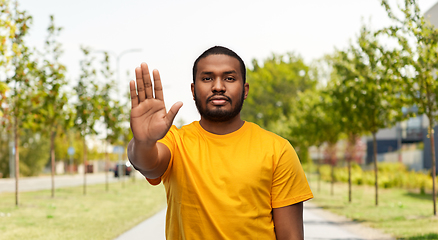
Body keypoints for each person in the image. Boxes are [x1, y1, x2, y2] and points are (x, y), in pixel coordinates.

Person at [128, 46, 313, 240]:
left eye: (229, 78)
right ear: (193, 90)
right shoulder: (175, 140)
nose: (218, 86)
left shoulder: (278, 150)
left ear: (245, 90)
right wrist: (144, 142)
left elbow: (291, 236)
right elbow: (148, 164)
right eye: (207, 78)